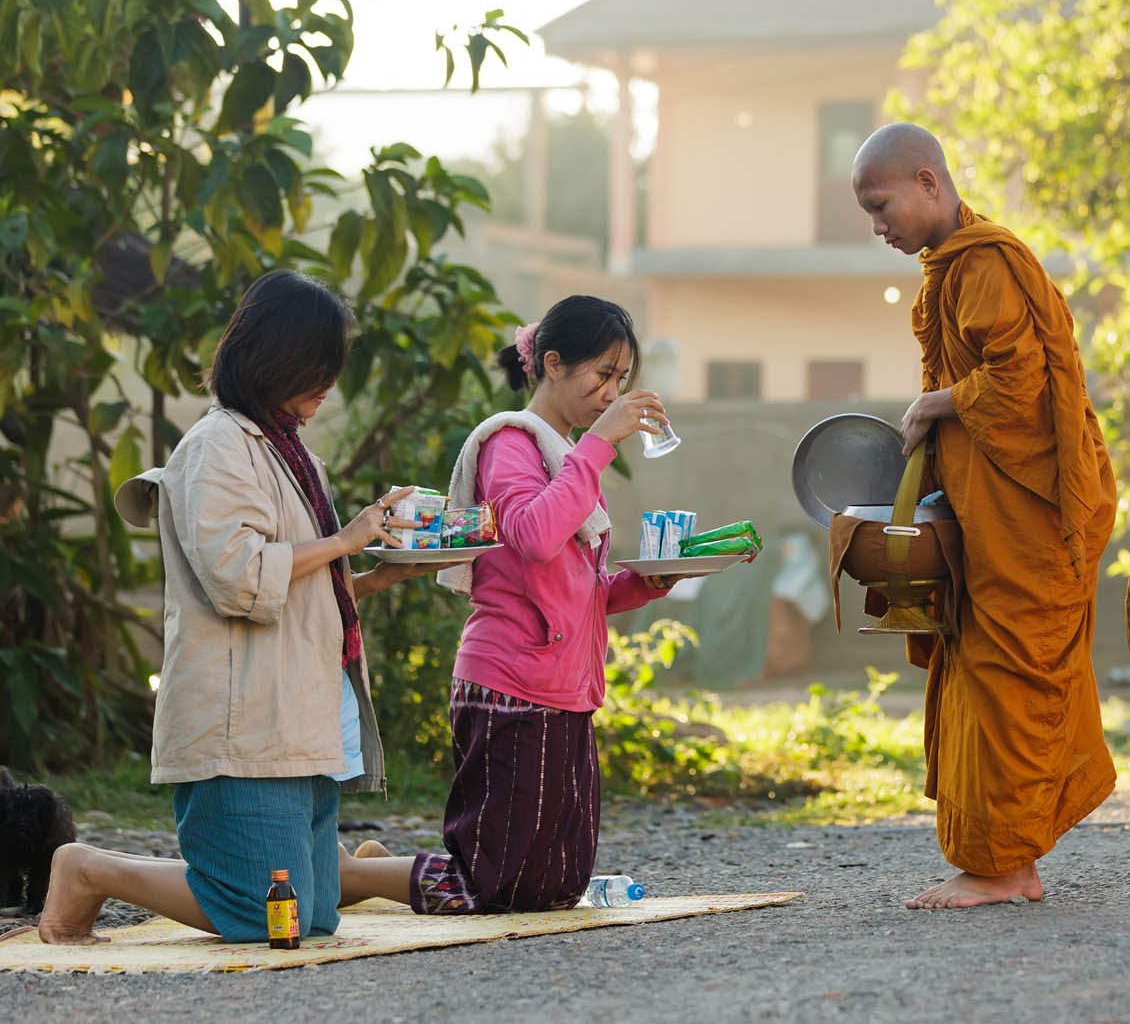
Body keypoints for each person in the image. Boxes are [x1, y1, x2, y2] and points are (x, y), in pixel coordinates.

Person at [37, 269, 436, 944]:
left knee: (310, 918)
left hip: (295, 719)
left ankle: (300, 873)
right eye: (317, 369)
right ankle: (87, 868)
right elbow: (239, 579)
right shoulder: (218, 444)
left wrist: (371, 577)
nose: (326, 386)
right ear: (273, 359)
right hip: (242, 731)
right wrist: (344, 538)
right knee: (260, 915)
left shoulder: (289, 450)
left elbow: (299, 585)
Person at [341, 296, 683, 915]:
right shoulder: (513, 443)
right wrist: (599, 445)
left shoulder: (570, 458)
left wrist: (651, 580)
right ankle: (355, 876)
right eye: (601, 374)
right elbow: (531, 533)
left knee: (559, 882)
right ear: (553, 363)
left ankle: (379, 871)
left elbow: (587, 589)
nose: (612, 393)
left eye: (621, 380)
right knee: (495, 884)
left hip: (566, 686)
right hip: (510, 683)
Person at [851, 122, 1117, 909]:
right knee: (981, 674)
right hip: (993, 509)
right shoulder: (950, 269)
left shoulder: (988, 265)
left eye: (881, 204)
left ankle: (1003, 866)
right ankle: (1007, 861)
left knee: (1009, 676)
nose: (878, 226)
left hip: (1034, 511)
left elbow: (1020, 388)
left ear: (929, 182)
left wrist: (934, 403)